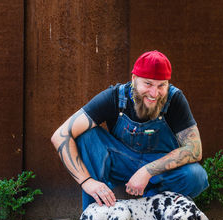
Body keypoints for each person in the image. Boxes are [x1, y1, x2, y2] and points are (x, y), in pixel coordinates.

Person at [51, 50, 208, 210]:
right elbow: (61, 135)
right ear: (134, 79)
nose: (155, 93)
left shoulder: (175, 99)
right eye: (148, 83)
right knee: (86, 135)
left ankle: (154, 212)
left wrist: (147, 171)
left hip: (159, 172)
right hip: (122, 162)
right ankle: (96, 216)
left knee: (196, 176)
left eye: (161, 85)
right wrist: (87, 182)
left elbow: (194, 149)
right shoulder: (114, 97)